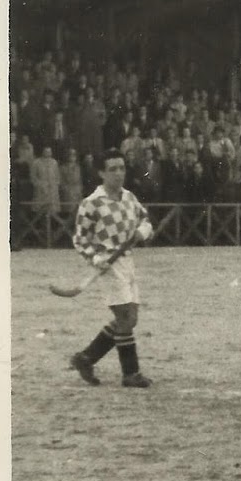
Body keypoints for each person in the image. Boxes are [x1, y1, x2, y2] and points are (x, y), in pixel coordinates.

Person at [68, 151, 155, 388]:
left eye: (121, 168)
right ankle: (131, 373)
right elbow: (80, 239)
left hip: (127, 261)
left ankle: (85, 358)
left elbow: (146, 220)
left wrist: (142, 232)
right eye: (113, 169)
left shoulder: (129, 198)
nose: (119, 173)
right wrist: (96, 259)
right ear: (101, 173)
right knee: (125, 317)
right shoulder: (91, 203)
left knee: (130, 319)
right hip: (108, 264)